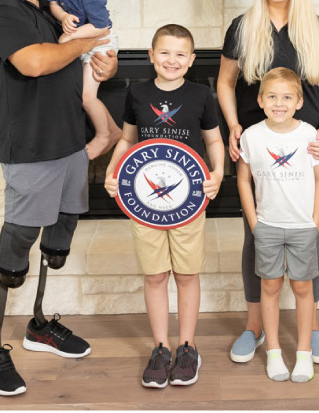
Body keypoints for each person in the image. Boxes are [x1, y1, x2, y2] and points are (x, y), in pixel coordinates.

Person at [0, 0, 117, 397]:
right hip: (30, 148)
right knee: (18, 243)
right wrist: (85, 44)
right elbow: (36, 63)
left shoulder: (52, 0)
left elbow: (83, 58)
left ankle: (38, 325)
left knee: (57, 238)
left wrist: (105, 64)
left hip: (69, 143)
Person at [217, 0, 319, 367]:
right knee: (257, 235)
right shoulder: (243, 26)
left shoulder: (318, 27)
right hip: (257, 147)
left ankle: (313, 328)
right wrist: (234, 125)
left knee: (310, 231)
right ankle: (254, 326)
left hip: (305, 145)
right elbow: (224, 82)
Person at [104, 24, 224, 389]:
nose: (172, 60)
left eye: (180, 54)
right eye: (165, 53)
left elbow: (214, 140)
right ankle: (160, 347)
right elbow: (126, 139)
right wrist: (112, 172)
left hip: (189, 201)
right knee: (155, 275)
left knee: (187, 274)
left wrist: (218, 173)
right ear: (151, 55)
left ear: (191, 60)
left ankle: (187, 346)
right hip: (145, 204)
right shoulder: (136, 93)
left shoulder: (203, 95)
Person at [237, 67, 319, 383]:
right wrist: (254, 222)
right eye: (272, 97)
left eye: (287, 97)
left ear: (299, 102)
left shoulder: (309, 135)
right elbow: (244, 179)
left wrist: (314, 223)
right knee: (270, 287)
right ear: (260, 100)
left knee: (302, 287)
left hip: (302, 227)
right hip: (268, 226)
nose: (279, 103)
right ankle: (273, 351)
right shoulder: (252, 136)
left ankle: (303, 353)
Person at [47, 0, 122, 159]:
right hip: (82, 39)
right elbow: (52, 1)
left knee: (87, 97)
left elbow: (103, 26)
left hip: (99, 41)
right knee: (79, 92)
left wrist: (72, 36)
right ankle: (116, 133)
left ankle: (103, 136)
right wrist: (62, 17)